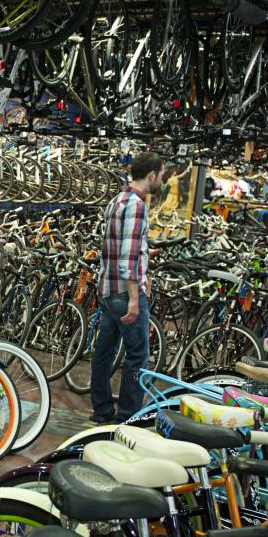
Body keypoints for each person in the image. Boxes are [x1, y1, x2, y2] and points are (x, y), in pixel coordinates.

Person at [91, 151, 163, 422]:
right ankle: (129, 416)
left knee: (104, 353)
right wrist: (135, 297)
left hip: (108, 290)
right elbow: (128, 258)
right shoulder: (136, 205)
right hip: (124, 293)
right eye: (162, 174)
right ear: (152, 174)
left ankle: (101, 410)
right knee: (137, 355)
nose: (162, 180)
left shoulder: (116, 201)